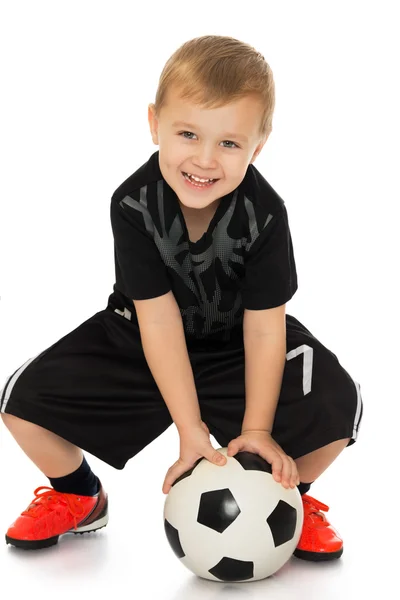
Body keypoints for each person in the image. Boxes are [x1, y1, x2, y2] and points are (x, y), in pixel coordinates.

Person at [0, 35, 363, 561]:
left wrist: (258, 430)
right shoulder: (133, 204)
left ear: (258, 148)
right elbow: (159, 319)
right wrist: (190, 432)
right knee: (21, 402)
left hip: (237, 343)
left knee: (337, 402)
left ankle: (285, 498)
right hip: (141, 333)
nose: (204, 160)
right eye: (188, 134)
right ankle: (78, 494)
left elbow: (265, 326)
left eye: (230, 144)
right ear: (154, 124)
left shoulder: (264, 213)